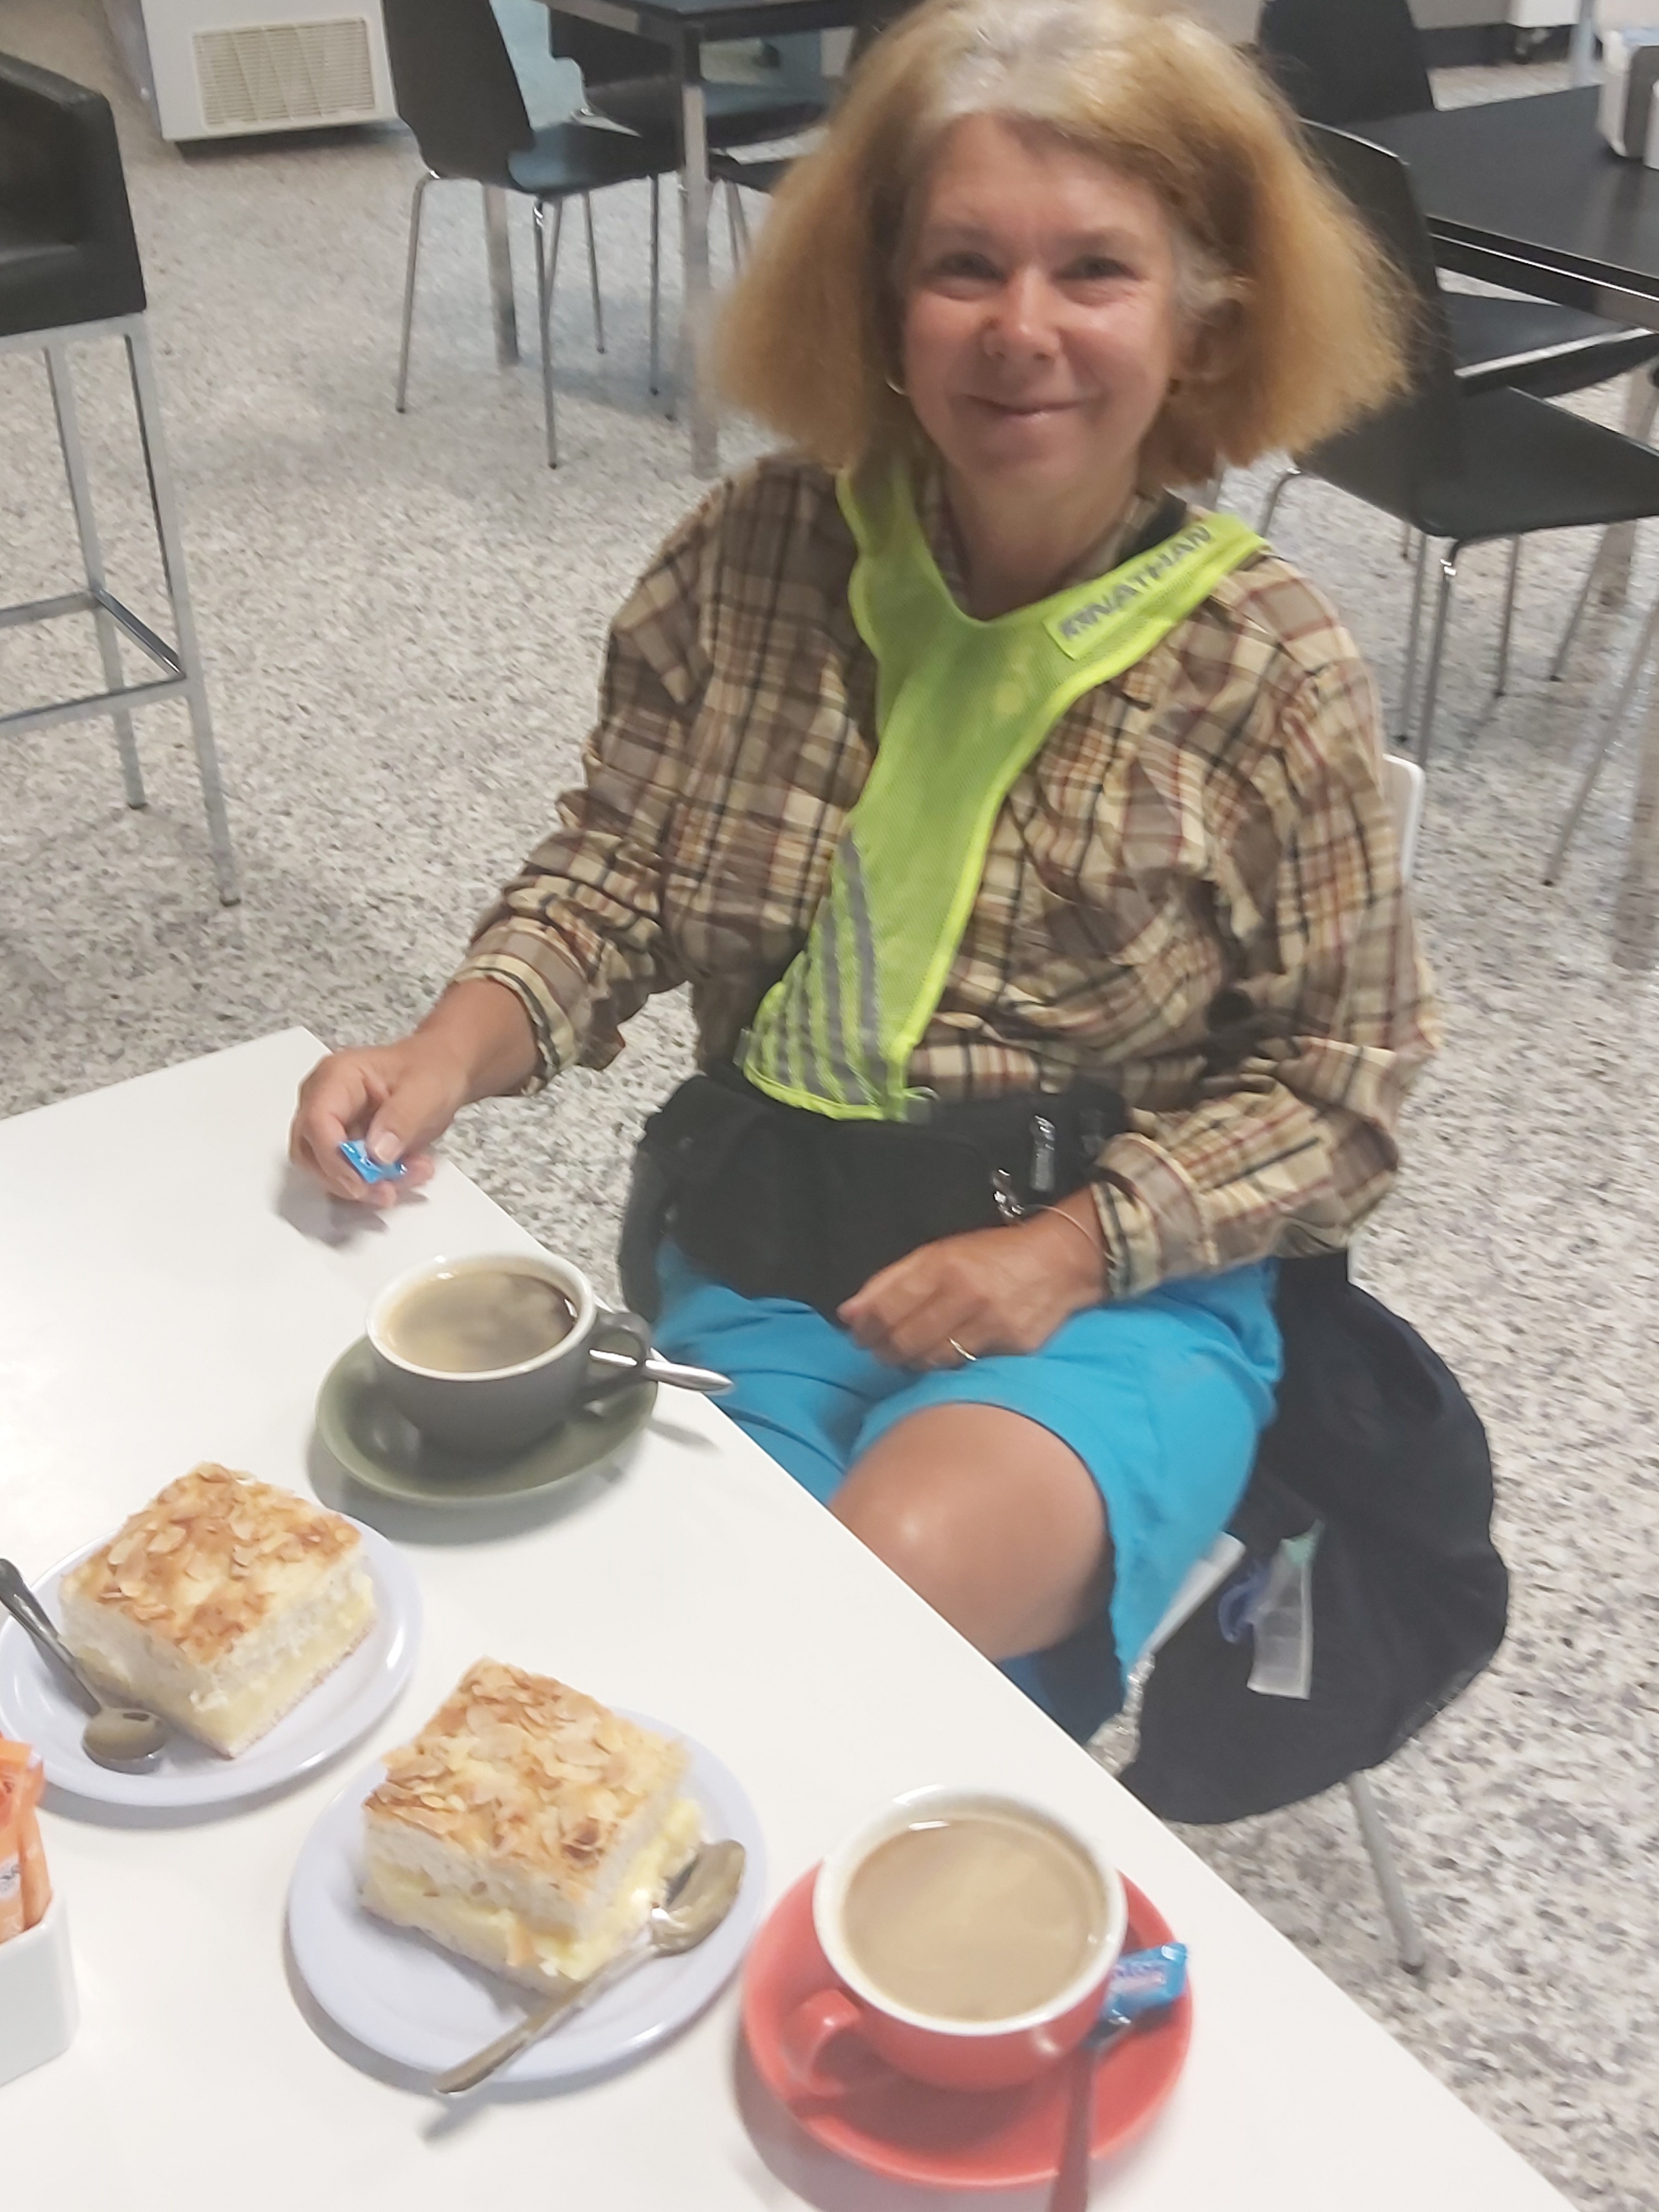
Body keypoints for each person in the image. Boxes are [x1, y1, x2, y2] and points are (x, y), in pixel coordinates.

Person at [291, 0, 1439, 1732]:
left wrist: (1072, 1247)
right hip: (776, 1250)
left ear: (1203, 319)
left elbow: (1347, 1084)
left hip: (1105, 1293)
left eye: (1096, 271)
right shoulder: (756, 552)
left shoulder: (1266, 670)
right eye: (965, 265)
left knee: (860, 1594)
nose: (1022, 329)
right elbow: (620, 872)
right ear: (882, 297)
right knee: (648, 1639)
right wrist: (442, 1050)